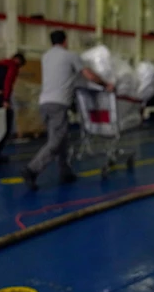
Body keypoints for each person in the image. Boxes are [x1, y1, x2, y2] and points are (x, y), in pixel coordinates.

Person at [21, 30, 113, 190]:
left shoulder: (46, 57)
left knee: (61, 138)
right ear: (65, 41)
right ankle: (31, 170)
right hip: (58, 103)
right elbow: (88, 75)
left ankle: (65, 171)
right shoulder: (70, 56)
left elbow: (61, 76)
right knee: (55, 142)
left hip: (44, 103)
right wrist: (106, 84)